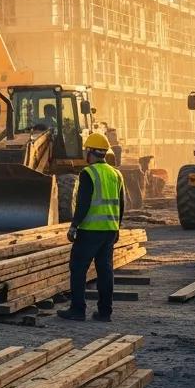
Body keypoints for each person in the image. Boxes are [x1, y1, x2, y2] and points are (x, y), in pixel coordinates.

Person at [57, 132, 125, 323]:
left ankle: (77, 310)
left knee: (78, 268)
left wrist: (73, 226)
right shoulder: (116, 173)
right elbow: (121, 204)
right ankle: (105, 313)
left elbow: (83, 203)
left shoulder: (88, 173)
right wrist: (117, 227)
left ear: (90, 153)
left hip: (90, 230)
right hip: (109, 230)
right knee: (105, 271)